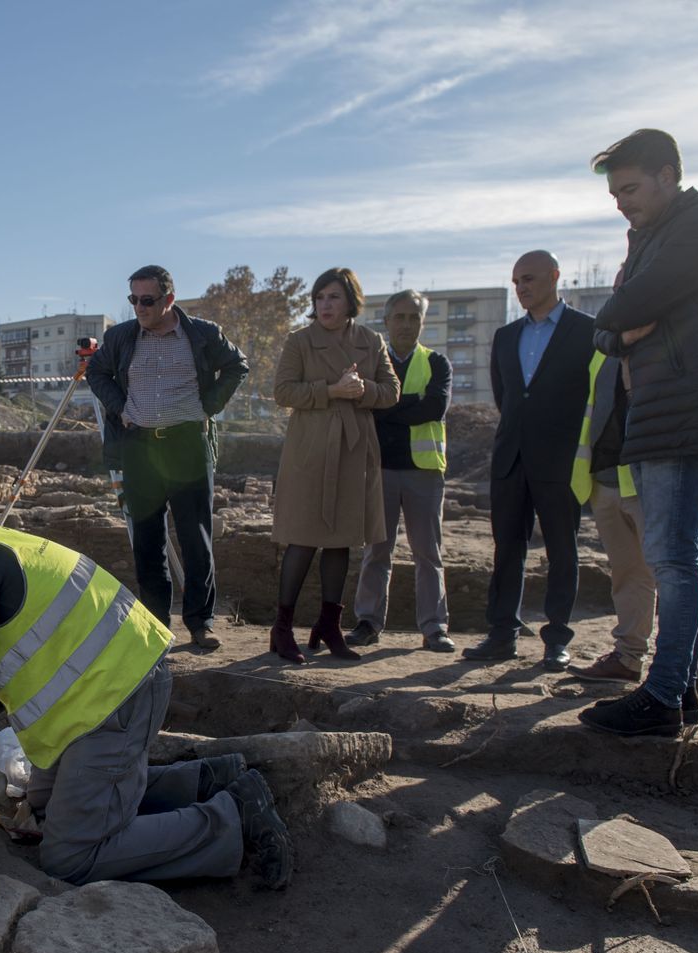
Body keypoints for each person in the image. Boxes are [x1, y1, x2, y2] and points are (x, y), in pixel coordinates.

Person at [0, 524, 292, 889]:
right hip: (97, 694)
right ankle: (211, 778)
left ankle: (231, 816)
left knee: (71, 856)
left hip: (117, 694)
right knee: (45, 807)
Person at [579, 129, 698, 737]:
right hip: (659, 411)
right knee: (679, 556)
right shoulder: (654, 239)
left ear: (668, 174)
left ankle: (662, 695)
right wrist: (622, 322)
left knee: (674, 558)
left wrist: (624, 319)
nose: (622, 202)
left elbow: (618, 311)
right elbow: (607, 330)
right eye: (614, 193)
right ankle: (677, 690)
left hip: (685, 408)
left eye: (630, 188)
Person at [85, 265, 249, 650]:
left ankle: (200, 623)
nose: (139, 307)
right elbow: (96, 372)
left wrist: (209, 405)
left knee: (196, 538)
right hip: (139, 447)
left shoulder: (202, 334)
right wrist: (119, 406)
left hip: (187, 446)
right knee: (147, 540)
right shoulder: (121, 337)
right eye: (133, 300)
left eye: (147, 300)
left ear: (169, 300)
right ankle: (155, 625)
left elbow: (237, 366)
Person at [462, 251, 591, 671]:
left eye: (530, 279)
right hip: (511, 459)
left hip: (559, 459)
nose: (522, 288)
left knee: (562, 551)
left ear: (555, 276)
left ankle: (557, 640)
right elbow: (507, 398)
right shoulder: (505, 337)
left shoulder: (586, 331)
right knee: (507, 550)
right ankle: (502, 635)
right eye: (517, 281)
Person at [269, 267, 401, 663]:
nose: (324, 305)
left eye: (333, 297)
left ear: (350, 302)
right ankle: (282, 628)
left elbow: (392, 392)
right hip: (309, 450)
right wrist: (330, 391)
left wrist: (363, 392)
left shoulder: (371, 341)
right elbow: (282, 391)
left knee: (342, 538)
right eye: (320, 297)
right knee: (303, 537)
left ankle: (329, 624)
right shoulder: (300, 341)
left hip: (353, 451)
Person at [346, 289, 454, 653]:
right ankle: (368, 622)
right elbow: (366, 408)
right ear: (387, 321)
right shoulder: (372, 364)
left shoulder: (437, 363)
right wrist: (407, 403)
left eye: (414, 317)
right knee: (377, 551)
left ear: (422, 322)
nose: (407, 324)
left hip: (424, 473)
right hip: (381, 470)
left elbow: (433, 408)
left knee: (428, 553)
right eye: (400, 317)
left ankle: (434, 627)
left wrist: (388, 406)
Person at [567, 347, 655, 685]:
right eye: (617, 290)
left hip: (650, 479)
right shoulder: (601, 354)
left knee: (674, 572)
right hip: (605, 477)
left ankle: (691, 669)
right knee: (628, 573)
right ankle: (628, 657)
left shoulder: (662, 344)